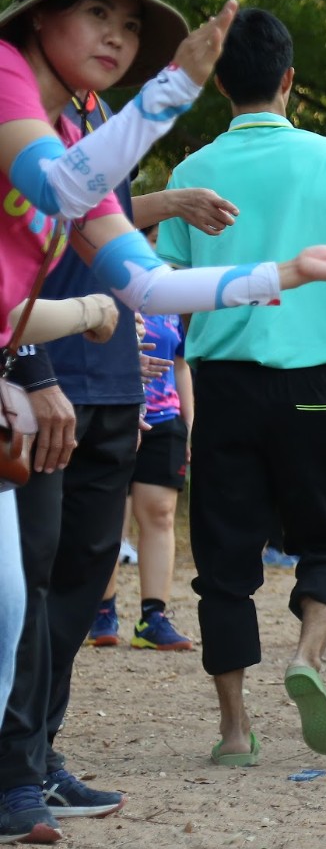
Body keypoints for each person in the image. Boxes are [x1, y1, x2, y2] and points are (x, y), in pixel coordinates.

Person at [0, 0, 326, 840]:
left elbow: (146, 289)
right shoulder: (14, 83)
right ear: (40, 14)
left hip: (186, 379)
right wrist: (169, 88)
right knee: (19, 597)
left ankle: (154, 741)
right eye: (96, 12)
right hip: (278, 385)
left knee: (103, 582)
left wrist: (285, 272)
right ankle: (301, 657)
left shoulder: (110, 137)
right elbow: (60, 192)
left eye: (130, 25)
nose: (117, 37)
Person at [154, 6, 326, 767]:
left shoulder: (189, 175)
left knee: (224, 559)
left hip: (223, 385)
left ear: (220, 83)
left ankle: (233, 731)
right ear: (289, 79)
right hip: (315, 384)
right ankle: (308, 657)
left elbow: (170, 289)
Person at [88, 277, 194, 651]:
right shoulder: (101, 282)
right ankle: (101, 612)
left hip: (165, 420)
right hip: (111, 412)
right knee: (111, 514)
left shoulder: (169, 293)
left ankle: (153, 619)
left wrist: (188, 424)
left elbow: (180, 365)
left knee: (161, 514)